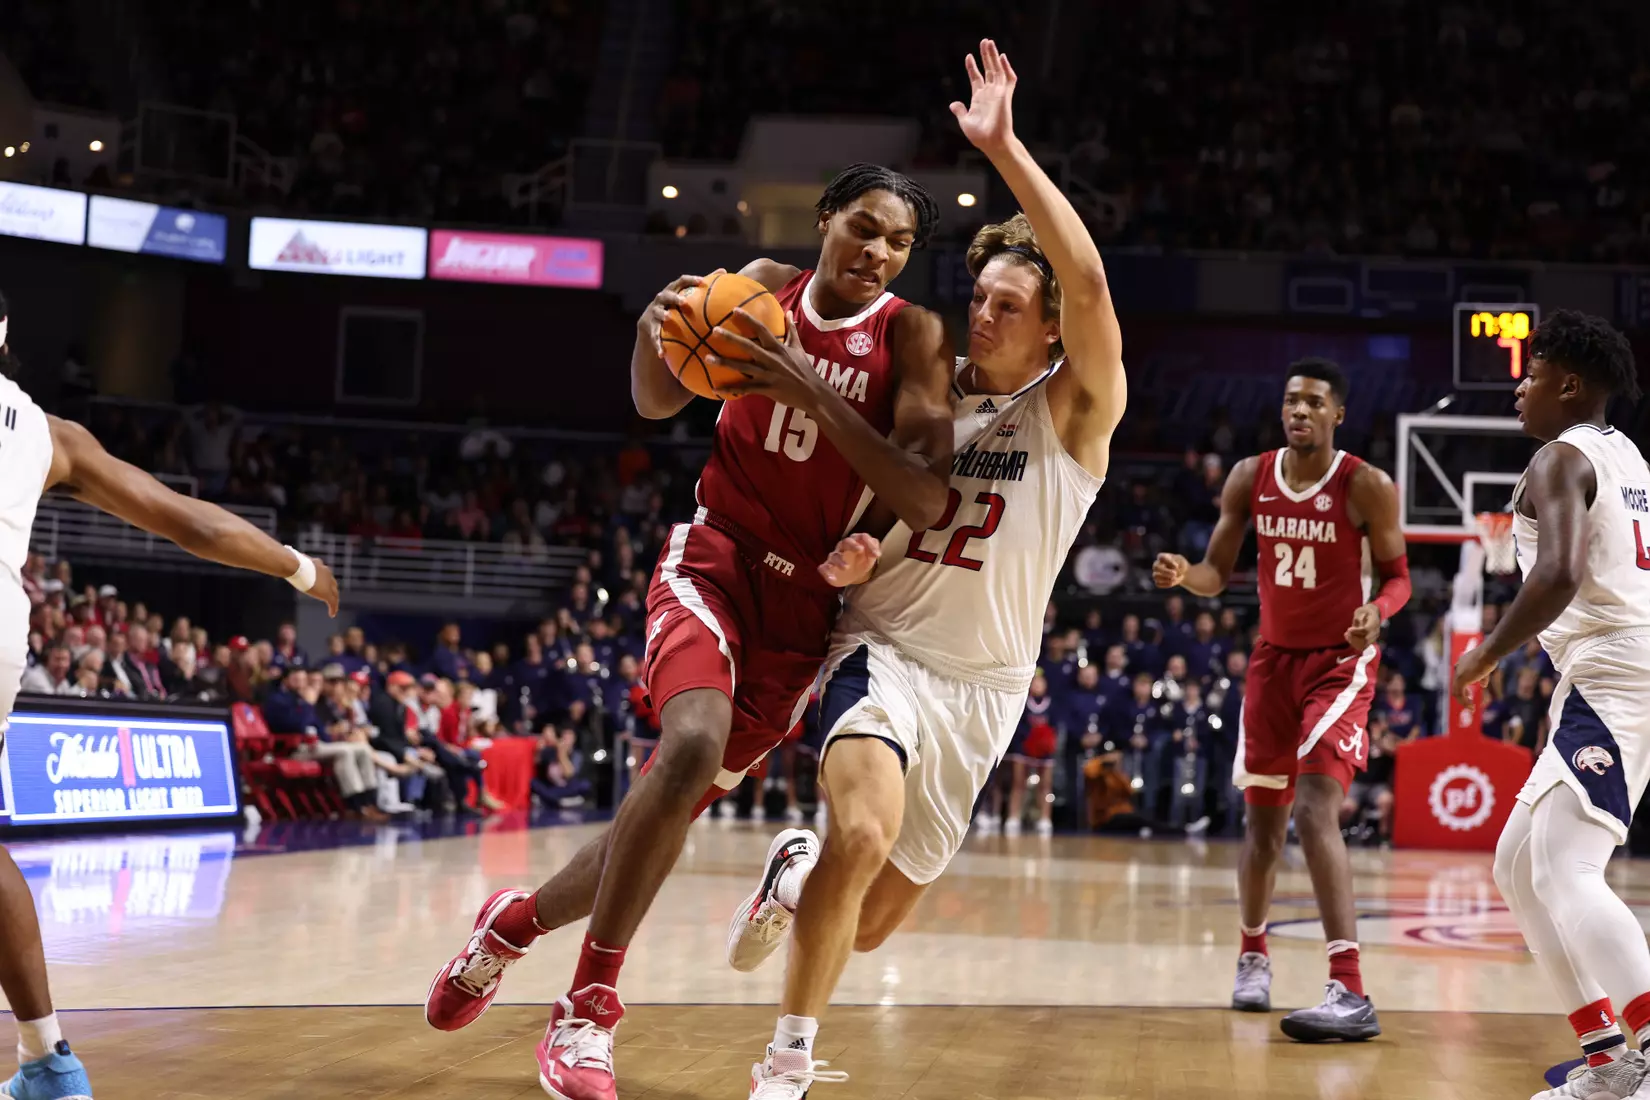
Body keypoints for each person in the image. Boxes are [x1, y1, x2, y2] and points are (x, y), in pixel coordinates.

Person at [423, 156, 957, 1100]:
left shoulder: (913, 336)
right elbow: (655, 400)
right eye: (864, 227)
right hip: (715, 558)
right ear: (826, 218)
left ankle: (511, 924)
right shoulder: (753, 292)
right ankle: (588, 1012)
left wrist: (809, 391)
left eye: (900, 242)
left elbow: (922, 491)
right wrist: (648, 336)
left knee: (660, 812)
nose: (878, 252)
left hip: (802, 618)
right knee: (690, 743)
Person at [721, 42, 1125, 1094]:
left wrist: (1003, 148)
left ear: (1047, 334)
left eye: (1007, 304)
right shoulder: (923, 393)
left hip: (984, 691)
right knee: (859, 828)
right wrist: (860, 543)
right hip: (883, 648)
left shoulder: (1074, 414)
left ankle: (797, 869)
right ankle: (787, 1061)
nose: (981, 313)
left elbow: (1086, 278)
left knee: (864, 921)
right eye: (978, 295)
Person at [0, 291, 338, 1100]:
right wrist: (298, 566)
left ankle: (49, 1063)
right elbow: (184, 519)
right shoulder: (48, 433)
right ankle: (47, 1061)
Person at [1153, 354, 1410, 1041]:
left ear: (1338, 414)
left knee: (1316, 809)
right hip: (1272, 664)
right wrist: (1186, 576)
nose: (1299, 411)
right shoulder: (1250, 476)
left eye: (1314, 402)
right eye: (1292, 400)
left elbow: (1399, 579)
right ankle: (1252, 954)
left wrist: (1377, 612)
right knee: (1262, 831)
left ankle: (1349, 988)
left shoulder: (1367, 486)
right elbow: (1217, 573)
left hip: (1340, 663)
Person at [1448, 310, 1650, 1100]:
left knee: (1567, 868)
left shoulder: (1560, 460)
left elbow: (1559, 573)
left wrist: (1488, 651)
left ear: (1569, 385)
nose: (1521, 388)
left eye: (1532, 375)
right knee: (1518, 869)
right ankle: (1608, 1061)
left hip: (1614, 671)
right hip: (1611, 667)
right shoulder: (1628, 455)